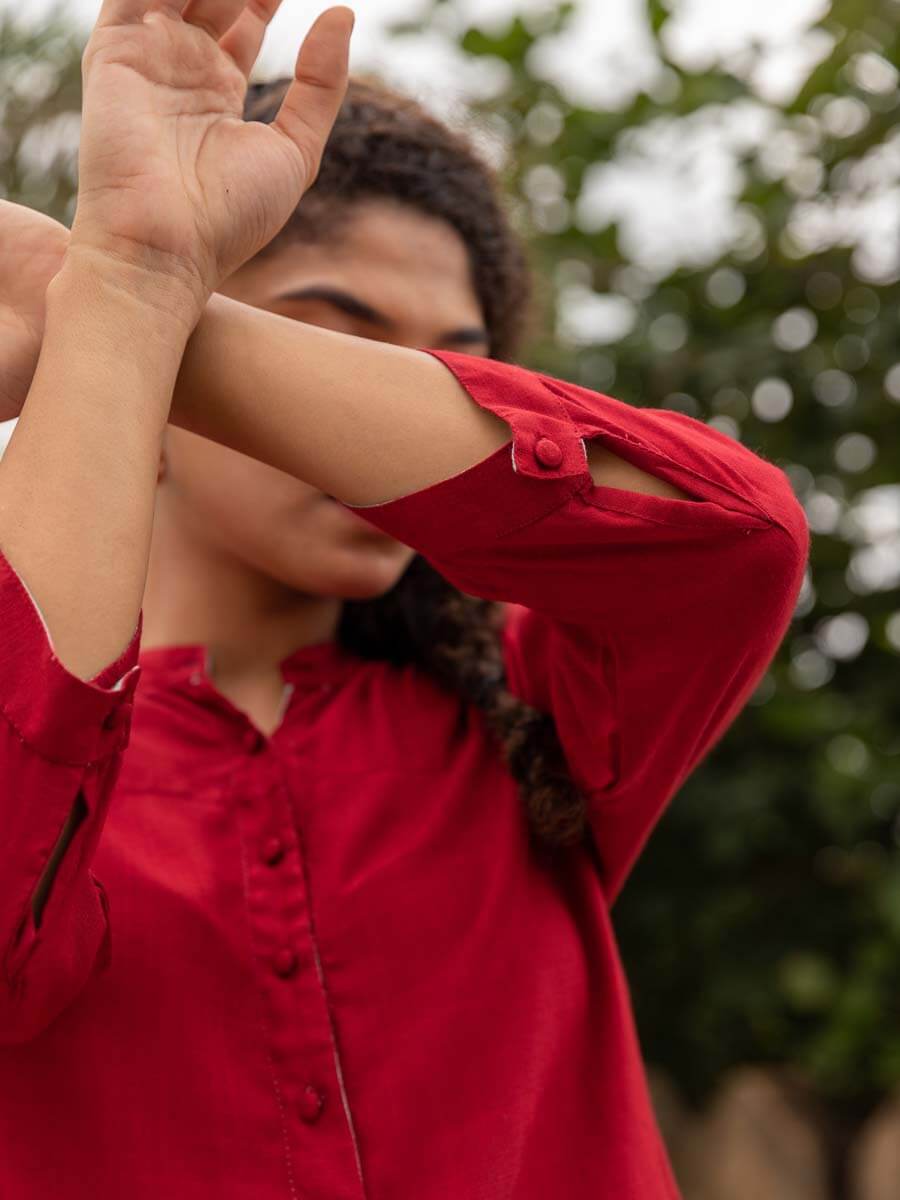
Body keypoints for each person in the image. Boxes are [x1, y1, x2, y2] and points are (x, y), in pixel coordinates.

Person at [0, 1, 809, 1197]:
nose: (364, 430)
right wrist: (128, 295)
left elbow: (738, 538)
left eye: (437, 371)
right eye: (338, 337)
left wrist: (138, 310)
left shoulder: (527, 719)